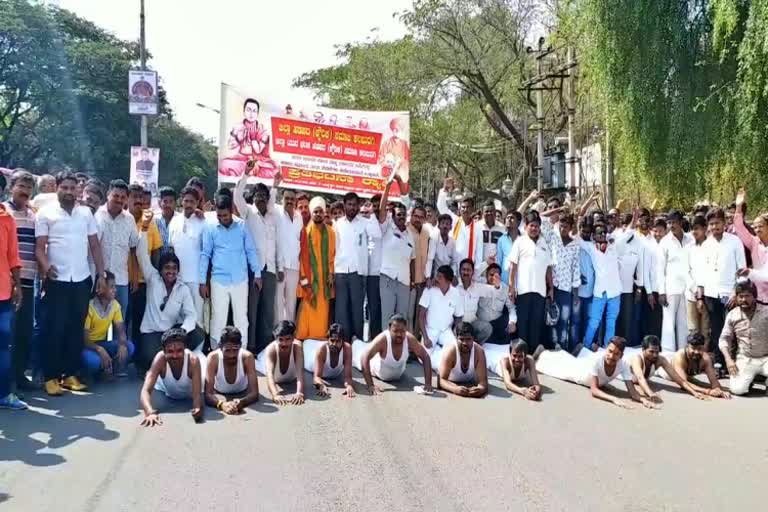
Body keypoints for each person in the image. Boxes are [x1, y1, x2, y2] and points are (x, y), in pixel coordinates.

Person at [36, 171, 105, 396]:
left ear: (78, 190)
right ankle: (50, 377)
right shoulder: (45, 213)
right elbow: (40, 247)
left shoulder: (85, 213)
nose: (68, 192)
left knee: (75, 329)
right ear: (56, 187)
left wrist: (101, 275)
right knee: (54, 329)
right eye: (64, 187)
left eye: (72, 188)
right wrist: (46, 266)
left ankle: (70, 375)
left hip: (81, 280)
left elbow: (95, 246)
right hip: (57, 280)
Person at [137, 211, 203, 367]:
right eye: (167, 268)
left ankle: (179, 357)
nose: (171, 271)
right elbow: (141, 254)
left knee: (198, 333)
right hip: (151, 332)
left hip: (171, 333)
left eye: (174, 268)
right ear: (160, 269)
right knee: (150, 357)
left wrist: (181, 333)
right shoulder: (152, 278)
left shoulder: (182, 288)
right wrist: (144, 228)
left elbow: (190, 316)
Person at [199, 193, 262, 350]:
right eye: (219, 215)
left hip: (240, 280)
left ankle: (243, 352)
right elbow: (205, 255)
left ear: (232, 211)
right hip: (218, 280)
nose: (222, 218)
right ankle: (216, 352)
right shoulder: (210, 227)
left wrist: (258, 274)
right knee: (218, 318)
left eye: (225, 215)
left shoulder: (242, 226)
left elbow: (251, 251)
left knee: (241, 318)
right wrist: (202, 281)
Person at [536, 336, 656, 409]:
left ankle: (554, 352)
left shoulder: (623, 365)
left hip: (585, 369)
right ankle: (543, 352)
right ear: (606, 349)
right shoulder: (598, 361)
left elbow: (632, 392)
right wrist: (614, 399)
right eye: (609, 351)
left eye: (616, 354)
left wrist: (643, 400)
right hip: (579, 374)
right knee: (552, 367)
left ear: (621, 355)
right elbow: (594, 390)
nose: (611, 356)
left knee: (567, 361)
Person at [235, 172, 280, 352]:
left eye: (263, 196)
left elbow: (276, 243)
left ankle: (265, 347)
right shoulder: (248, 213)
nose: (260, 198)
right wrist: (245, 175)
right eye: (257, 195)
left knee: (268, 311)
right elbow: (237, 196)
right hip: (253, 270)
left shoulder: (272, 217)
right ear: (253, 198)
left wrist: (275, 185)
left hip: (269, 269)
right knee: (252, 310)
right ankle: (251, 346)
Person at [699, 208, 746, 367]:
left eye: (717, 223)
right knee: (717, 330)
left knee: (734, 330)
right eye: (711, 224)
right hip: (711, 294)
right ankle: (720, 362)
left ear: (724, 223)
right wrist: (701, 296)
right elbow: (702, 272)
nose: (714, 227)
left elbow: (742, 269)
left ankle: (737, 362)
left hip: (730, 294)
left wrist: (736, 292)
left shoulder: (734, 241)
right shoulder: (706, 245)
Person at [4, 170, 36, 392]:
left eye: (28, 188)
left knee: (24, 333)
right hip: (7, 285)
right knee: (8, 335)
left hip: (28, 281)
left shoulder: (34, 215)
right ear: (10, 187)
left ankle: (19, 376)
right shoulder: (4, 213)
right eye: (21, 186)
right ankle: (6, 382)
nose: (25, 191)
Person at [127, 183, 162, 370]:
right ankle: (122, 362)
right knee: (123, 322)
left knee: (141, 322)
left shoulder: (151, 222)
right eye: (135, 198)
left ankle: (140, 362)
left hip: (144, 282)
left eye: (141, 199)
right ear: (128, 199)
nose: (139, 202)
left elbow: (156, 251)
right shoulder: (124, 220)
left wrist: (155, 279)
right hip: (122, 281)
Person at [507, 211, 553, 352]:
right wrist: (511, 288)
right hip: (523, 290)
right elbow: (513, 266)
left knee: (536, 324)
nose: (534, 228)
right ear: (526, 226)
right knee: (523, 324)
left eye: (537, 226)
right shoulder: (520, 242)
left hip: (540, 291)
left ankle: (532, 355)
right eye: (532, 225)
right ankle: (520, 355)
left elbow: (548, 268)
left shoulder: (544, 243)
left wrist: (551, 288)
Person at [333, 192, 376, 341]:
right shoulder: (337, 224)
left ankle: (357, 341)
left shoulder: (365, 223)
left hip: (358, 272)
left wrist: (372, 214)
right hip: (340, 271)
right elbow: (334, 248)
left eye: (354, 204)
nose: (352, 207)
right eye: (349, 204)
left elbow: (375, 237)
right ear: (344, 205)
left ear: (359, 206)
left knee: (357, 309)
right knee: (341, 309)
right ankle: (341, 341)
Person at [139, 328, 204, 427]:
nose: (175, 355)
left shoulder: (193, 360)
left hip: (195, 385)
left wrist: (197, 408)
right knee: (148, 376)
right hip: (166, 388)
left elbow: (196, 396)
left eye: (179, 351)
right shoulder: (160, 358)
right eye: (170, 351)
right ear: (164, 351)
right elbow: (145, 390)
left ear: (185, 349)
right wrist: (150, 412)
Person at [355, 314, 432, 394]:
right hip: (374, 367)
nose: (399, 334)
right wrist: (370, 385)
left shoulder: (409, 339)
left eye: (402, 331)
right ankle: (355, 340)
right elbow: (364, 357)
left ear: (406, 329)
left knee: (368, 346)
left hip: (396, 374)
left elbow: (425, 356)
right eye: (395, 331)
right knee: (358, 348)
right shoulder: (383, 338)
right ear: (389, 329)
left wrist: (428, 384)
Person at [94, 179, 138, 320]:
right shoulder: (96, 215)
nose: (119, 200)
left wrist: (135, 277)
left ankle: (117, 343)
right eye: (116, 196)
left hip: (121, 280)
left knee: (119, 320)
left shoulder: (129, 219)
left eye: (123, 197)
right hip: (99, 278)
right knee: (97, 319)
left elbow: (133, 249)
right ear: (108, 194)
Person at [577, 225, 624, 350]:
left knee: (611, 322)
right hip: (600, 291)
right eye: (599, 233)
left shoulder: (614, 247)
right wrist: (578, 219)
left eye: (604, 233)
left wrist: (634, 219)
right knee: (594, 321)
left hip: (614, 291)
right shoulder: (591, 248)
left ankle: (608, 348)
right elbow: (577, 238)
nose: (602, 235)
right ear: (594, 236)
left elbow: (626, 233)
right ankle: (586, 347)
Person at [80, 271, 134, 379]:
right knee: (93, 362)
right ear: (100, 289)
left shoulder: (115, 305)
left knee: (129, 346)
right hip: (88, 346)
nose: (115, 289)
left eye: (115, 286)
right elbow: (85, 340)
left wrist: (122, 344)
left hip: (102, 343)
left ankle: (108, 365)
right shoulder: (89, 307)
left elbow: (121, 330)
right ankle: (92, 369)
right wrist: (100, 350)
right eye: (111, 287)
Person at [719, 279, 768, 395]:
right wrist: (728, 360)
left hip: (766, 357)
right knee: (737, 389)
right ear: (736, 297)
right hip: (745, 358)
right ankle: (749, 380)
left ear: (754, 296)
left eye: (747, 296)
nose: (744, 300)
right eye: (740, 296)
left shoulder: (766, 312)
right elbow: (724, 339)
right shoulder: (732, 315)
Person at [296, 197, 336, 340]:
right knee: (307, 310)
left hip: (325, 281)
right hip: (310, 281)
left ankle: (319, 339)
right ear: (311, 214)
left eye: (320, 212)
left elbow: (332, 256)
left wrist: (331, 273)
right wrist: (305, 282)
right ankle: (304, 339)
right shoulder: (305, 233)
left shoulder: (331, 232)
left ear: (324, 213)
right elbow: (302, 259)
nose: (318, 214)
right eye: (315, 212)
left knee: (323, 313)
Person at [168, 187, 206, 331]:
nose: (188, 204)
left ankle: (197, 350)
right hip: (177, 278)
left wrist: (204, 281)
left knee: (197, 317)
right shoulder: (174, 221)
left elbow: (206, 253)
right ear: (181, 202)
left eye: (192, 201)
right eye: (186, 201)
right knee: (178, 316)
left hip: (196, 279)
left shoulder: (203, 222)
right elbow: (171, 249)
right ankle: (178, 350)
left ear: (197, 203)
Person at [377, 178, 415, 322]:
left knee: (402, 319)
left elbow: (412, 259)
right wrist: (387, 187)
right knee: (387, 318)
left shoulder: (409, 234)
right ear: (392, 216)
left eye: (403, 215)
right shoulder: (386, 228)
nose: (401, 217)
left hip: (404, 282)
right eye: (398, 214)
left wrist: (411, 280)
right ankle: (385, 344)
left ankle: (399, 344)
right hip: (387, 279)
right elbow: (381, 210)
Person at [541, 212, 580, 350]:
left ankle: (562, 348)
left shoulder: (575, 245)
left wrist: (575, 291)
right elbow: (542, 219)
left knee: (564, 320)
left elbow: (576, 267)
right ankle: (549, 348)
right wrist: (557, 211)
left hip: (565, 288)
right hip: (550, 285)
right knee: (549, 319)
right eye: (561, 226)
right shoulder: (552, 237)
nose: (563, 229)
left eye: (566, 226)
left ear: (571, 227)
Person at [627, 335, 707, 400]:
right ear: (643, 349)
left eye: (657, 352)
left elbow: (679, 379)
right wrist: (651, 393)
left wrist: (694, 393)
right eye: (651, 351)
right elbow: (640, 378)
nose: (655, 355)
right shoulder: (637, 359)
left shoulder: (660, 359)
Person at [657, 210, 693, 352]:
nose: (671, 225)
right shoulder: (665, 242)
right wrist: (661, 292)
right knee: (668, 323)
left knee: (684, 323)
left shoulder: (690, 239)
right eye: (669, 223)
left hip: (687, 288)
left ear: (681, 222)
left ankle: (683, 353)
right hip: (670, 288)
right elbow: (659, 269)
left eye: (674, 222)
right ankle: (668, 355)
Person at [0, 186, 23, 410]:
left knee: (3, 347)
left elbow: (13, 256)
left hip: (4, 293)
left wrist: (18, 286)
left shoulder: (7, 219)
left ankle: (5, 395)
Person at [270, 172, 303, 323]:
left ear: (295, 201)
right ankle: (277, 333)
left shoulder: (299, 217)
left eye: (292, 199)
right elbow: (269, 203)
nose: (289, 201)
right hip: (280, 266)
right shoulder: (276, 212)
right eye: (287, 198)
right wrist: (275, 185)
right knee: (277, 302)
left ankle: (290, 332)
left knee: (291, 302)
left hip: (294, 267)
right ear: (282, 200)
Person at [204, 326, 260, 414]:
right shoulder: (213, 358)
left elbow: (254, 393)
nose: (231, 355)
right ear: (220, 347)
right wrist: (221, 405)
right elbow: (208, 394)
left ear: (240, 346)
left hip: (242, 392)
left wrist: (242, 402)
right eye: (227, 350)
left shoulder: (247, 357)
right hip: (219, 393)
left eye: (235, 350)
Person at [659, 332, 731, 398]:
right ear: (687, 346)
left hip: (686, 374)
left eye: (699, 348)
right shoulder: (680, 356)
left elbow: (714, 381)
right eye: (693, 348)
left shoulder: (705, 358)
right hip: (664, 369)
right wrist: (708, 391)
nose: (696, 352)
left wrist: (719, 390)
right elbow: (684, 384)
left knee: (700, 384)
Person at [219, 98, 277, 178]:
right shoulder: (238, 127)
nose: (251, 114)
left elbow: (258, 150)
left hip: (258, 161)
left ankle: (241, 172)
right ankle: (242, 172)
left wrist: (253, 140)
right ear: (244, 111)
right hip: (242, 159)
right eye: (248, 110)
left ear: (257, 114)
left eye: (254, 111)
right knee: (223, 164)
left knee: (273, 171)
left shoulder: (262, 130)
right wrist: (238, 138)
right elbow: (230, 146)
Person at [732, 188, 768, 302]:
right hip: (758, 296)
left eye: (760, 226)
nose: (757, 229)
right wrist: (738, 207)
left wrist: (750, 272)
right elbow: (739, 227)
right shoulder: (753, 242)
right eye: (755, 227)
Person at [436, 322, 488, 398]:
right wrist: (455, 389)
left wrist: (481, 389)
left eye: (468, 339)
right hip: (439, 361)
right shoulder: (450, 351)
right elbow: (441, 380)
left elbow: (483, 382)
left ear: (473, 338)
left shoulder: (479, 351)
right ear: (456, 338)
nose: (465, 343)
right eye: (461, 339)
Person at [303, 323, 354, 398]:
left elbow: (348, 377)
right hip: (309, 356)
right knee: (308, 343)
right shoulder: (321, 350)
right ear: (328, 339)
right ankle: (308, 341)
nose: (334, 344)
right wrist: (321, 386)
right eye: (332, 340)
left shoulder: (347, 348)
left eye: (338, 341)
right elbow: (316, 377)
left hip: (320, 347)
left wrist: (349, 386)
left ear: (343, 341)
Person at [418, 265, 464, 350]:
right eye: (436, 276)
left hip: (446, 330)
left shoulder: (455, 293)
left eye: (440, 277)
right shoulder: (429, 290)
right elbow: (421, 316)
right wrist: (425, 337)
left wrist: (457, 334)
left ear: (448, 281)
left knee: (455, 350)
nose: (436, 279)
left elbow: (458, 317)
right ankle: (440, 353)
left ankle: (439, 352)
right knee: (423, 357)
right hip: (430, 330)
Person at [260, 320, 305, 405]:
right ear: (275, 338)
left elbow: (300, 372)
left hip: (290, 377)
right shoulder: (271, 349)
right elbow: (269, 376)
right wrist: (276, 394)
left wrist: (300, 393)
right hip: (263, 364)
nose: (284, 343)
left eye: (288, 339)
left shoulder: (297, 346)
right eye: (280, 340)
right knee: (259, 361)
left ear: (293, 337)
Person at [475, 263, 517, 343]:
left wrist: (512, 322)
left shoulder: (505, 289)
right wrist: (486, 263)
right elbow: (474, 275)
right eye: (491, 275)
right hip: (482, 324)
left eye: (497, 275)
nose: (494, 277)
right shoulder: (479, 285)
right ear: (486, 275)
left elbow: (511, 308)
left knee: (510, 331)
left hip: (497, 324)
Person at [686, 215, 710, 345]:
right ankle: (693, 358)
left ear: (705, 228)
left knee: (706, 329)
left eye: (697, 228)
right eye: (692, 229)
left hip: (708, 293)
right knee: (693, 329)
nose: (694, 232)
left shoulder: (711, 246)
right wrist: (695, 290)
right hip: (692, 294)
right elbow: (686, 270)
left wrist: (702, 292)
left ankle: (705, 359)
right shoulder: (689, 247)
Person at [407, 204, 430, 337]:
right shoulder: (406, 230)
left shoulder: (427, 233)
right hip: (409, 281)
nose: (417, 219)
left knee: (419, 315)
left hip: (422, 281)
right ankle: (407, 342)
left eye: (421, 217)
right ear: (411, 216)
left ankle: (415, 342)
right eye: (415, 216)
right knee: (409, 314)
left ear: (424, 219)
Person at [452, 196, 484, 280]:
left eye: (468, 207)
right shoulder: (454, 222)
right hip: (454, 269)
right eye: (463, 207)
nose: (465, 209)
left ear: (472, 209)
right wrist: (444, 190)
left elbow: (479, 253)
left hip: (469, 272)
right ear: (460, 209)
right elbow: (441, 207)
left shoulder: (478, 228)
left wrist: (475, 273)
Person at [425, 213, 459, 283]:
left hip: (448, 276)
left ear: (451, 227)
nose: (445, 226)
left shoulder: (452, 242)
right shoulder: (434, 238)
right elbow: (430, 259)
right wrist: (428, 277)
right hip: (436, 276)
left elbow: (454, 261)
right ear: (438, 226)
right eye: (442, 223)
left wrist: (454, 275)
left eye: (447, 224)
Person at [378, 117, 410, 185]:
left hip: (400, 172)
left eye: (397, 130)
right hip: (387, 172)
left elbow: (407, 160)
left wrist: (399, 163)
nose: (395, 132)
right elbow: (381, 157)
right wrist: (388, 164)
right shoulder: (387, 143)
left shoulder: (404, 144)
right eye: (393, 130)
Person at [477, 200, 505, 277]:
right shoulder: (477, 227)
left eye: (491, 211)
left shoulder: (502, 228)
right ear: (482, 213)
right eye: (486, 211)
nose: (489, 213)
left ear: (495, 212)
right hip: (479, 270)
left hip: (496, 269)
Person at [496, 211, 521, 288]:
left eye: (512, 218)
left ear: (519, 222)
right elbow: (498, 260)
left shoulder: (524, 239)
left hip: (520, 282)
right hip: (504, 281)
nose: (509, 219)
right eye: (507, 217)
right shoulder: (501, 239)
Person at [154, 186, 177, 254]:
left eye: (171, 201)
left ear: (175, 203)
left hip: (176, 262)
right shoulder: (154, 220)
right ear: (159, 203)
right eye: (165, 201)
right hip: (158, 261)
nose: (168, 205)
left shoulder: (180, 220)